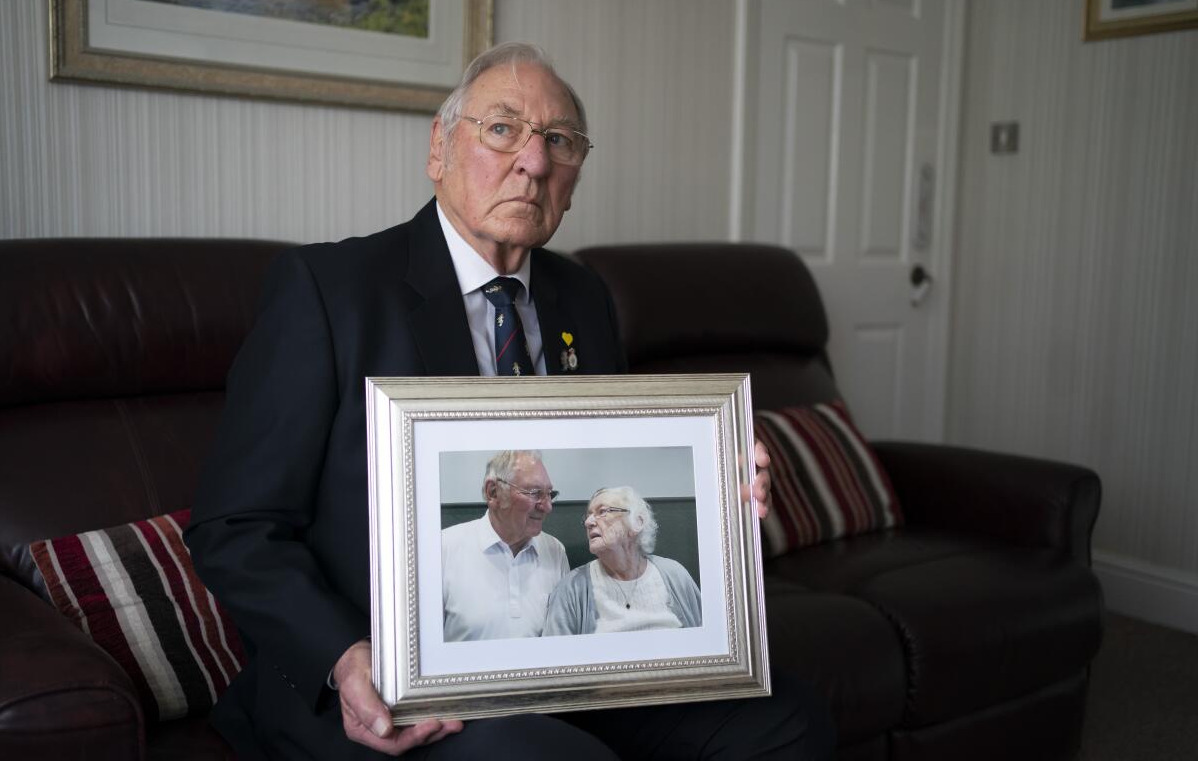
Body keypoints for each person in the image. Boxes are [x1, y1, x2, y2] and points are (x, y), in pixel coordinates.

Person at [186, 41, 832, 759]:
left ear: (575, 175)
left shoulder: (583, 297)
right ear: (439, 148)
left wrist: (719, 488)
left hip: (561, 662)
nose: (534, 161)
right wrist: (344, 657)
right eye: (502, 129)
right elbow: (235, 526)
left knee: (788, 720)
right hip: (387, 679)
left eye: (559, 141)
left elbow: (617, 465)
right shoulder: (328, 291)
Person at [441, 450, 569, 642]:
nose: (547, 506)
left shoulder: (554, 550)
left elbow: (563, 638)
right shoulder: (443, 548)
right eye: (534, 493)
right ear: (493, 492)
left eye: (550, 494)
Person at [543, 486, 700, 635]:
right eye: (588, 515)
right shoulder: (572, 588)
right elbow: (554, 656)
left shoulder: (674, 574)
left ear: (637, 522)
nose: (588, 522)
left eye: (602, 511)